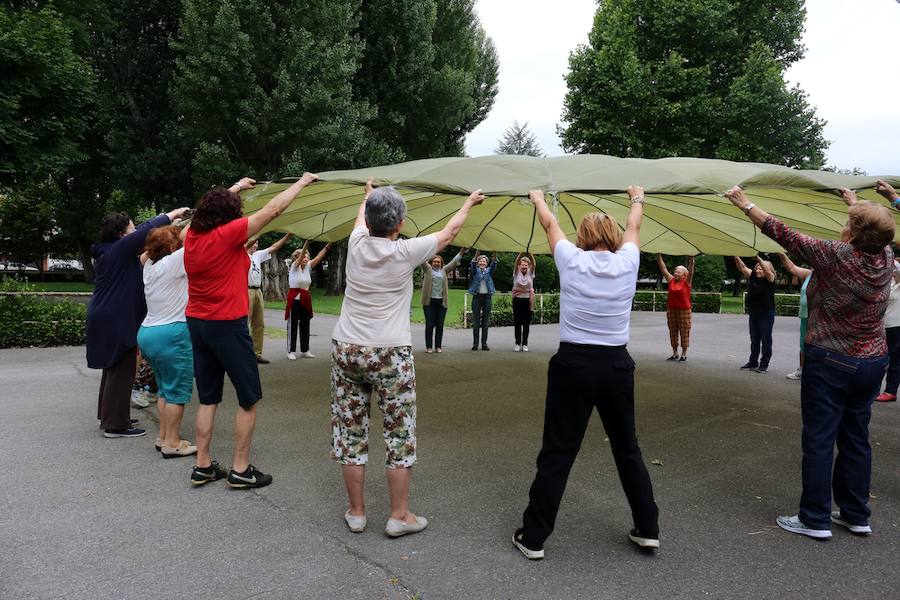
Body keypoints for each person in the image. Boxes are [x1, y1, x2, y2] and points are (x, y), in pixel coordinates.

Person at [726, 185, 894, 539]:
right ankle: (855, 514)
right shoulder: (886, 256)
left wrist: (745, 204)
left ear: (852, 231)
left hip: (831, 359)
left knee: (819, 438)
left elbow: (783, 232)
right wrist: (854, 203)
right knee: (856, 438)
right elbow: (872, 230)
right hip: (871, 363)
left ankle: (815, 518)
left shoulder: (835, 255)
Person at [331, 181, 485, 537]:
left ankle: (356, 513)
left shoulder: (355, 244)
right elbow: (450, 232)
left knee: (350, 431)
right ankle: (399, 516)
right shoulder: (406, 251)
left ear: (368, 219)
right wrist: (470, 202)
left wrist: (367, 195)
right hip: (390, 352)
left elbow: (361, 216)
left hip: (347, 348)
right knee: (399, 432)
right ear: (399, 223)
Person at [514, 187, 659, 560]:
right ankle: (648, 529)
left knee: (558, 452)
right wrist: (637, 197)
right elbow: (634, 224)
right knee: (627, 448)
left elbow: (549, 223)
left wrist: (538, 198)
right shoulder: (628, 260)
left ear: (583, 237)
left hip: (573, 365)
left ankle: (533, 538)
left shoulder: (570, 259)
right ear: (612, 237)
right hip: (615, 366)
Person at [184, 173, 318, 489]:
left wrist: (236, 187)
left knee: (207, 398)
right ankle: (241, 469)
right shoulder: (227, 234)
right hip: (227, 325)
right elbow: (271, 212)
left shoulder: (191, 236)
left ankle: (202, 465)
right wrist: (301, 183)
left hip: (198, 324)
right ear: (227, 216)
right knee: (248, 398)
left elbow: (204, 207)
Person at [87, 206, 188, 438]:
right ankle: (115, 425)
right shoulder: (118, 250)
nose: (135, 230)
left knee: (114, 368)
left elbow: (146, 249)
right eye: (131, 227)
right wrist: (172, 215)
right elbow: (146, 230)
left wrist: (173, 228)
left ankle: (111, 415)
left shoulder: (113, 253)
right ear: (123, 234)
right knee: (121, 368)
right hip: (115, 318)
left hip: (108, 316)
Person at [137, 225, 197, 458]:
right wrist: (234, 188)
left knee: (164, 389)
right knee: (177, 392)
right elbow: (196, 227)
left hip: (148, 332)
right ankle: (172, 443)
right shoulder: (174, 262)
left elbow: (146, 252)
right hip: (171, 333)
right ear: (172, 247)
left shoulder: (148, 266)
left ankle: (164, 437)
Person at [247, 232, 293, 364]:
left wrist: (287, 237)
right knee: (245, 324)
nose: (256, 244)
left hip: (257, 290)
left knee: (259, 323)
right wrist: (259, 230)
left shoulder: (257, 255)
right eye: (254, 242)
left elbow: (273, 247)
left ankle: (257, 353)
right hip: (246, 289)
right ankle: (244, 354)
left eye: (257, 242)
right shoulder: (241, 253)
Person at [285, 240, 331, 360]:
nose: (305, 258)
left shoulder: (308, 267)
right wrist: (307, 243)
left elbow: (319, 257)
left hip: (305, 298)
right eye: (303, 256)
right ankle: (290, 350)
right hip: (294, 299)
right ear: (296, 257)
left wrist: (328, 245)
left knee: (305, 324)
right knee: (293, 325)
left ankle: (305, 349)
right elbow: (300, 258)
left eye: (307, 256)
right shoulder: (295, 266)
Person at [733, 255, 776, 373]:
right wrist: (735, 255)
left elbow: (767, 271)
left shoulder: (770, 278)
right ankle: (753, 362)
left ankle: (764, 364)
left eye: (760, 268)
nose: (758, 270)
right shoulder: (753, 276)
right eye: (757, 268)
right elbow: (742, 267)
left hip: (766, 313)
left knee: (766, 340)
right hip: (754, 312)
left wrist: (760, 260)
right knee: (754, 339)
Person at [419, 248, 466, 353]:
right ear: (432, 263)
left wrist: (462, 251)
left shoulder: (444, 270)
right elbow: (422, 260)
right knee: (430, 325)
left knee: (440, 325)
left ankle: (438, 346)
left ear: (441, 263)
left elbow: (454, 262)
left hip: (441, 303)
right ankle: (429, 347)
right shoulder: (427, 269)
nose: (436, 263)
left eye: (438, 262)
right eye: (435, 261)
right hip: (429, 302)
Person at [778, 253, 813, 380]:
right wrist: (781, 254)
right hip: (804, 316)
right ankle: (801, 370)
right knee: (803, 343)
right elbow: (792, 268)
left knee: (815, 345)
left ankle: (814, 372)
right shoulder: (809, 274)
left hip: (817, 317)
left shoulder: (826, 276)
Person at [656, 254, 695, 361]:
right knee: (673, 331)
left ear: (684, 275)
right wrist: (659, 256)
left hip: (684, 311)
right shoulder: (671, 280)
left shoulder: (687, 282)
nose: (676, 272)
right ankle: (675, 353)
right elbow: (663, 269)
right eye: (675, 271)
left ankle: (684, 354)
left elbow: (691, 271)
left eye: (679, 271)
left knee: (684, 332)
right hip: (671, 310)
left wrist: (692, 261)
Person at [877, 260, 900, 402]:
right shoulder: (890, 283)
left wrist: (889, 258)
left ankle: (891, 390)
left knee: (893, 359)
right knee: (881, 358)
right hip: (884, 326)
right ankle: (875, 389)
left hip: (896, 327)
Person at [467, 251, 498, 350]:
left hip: (487, 298)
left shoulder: (489, 271)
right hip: (477, 297)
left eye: (484, 262)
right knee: (476, 322)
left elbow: (494, 263)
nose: (482, 263)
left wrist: (494, 254)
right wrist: (477, 253)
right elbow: (472, 263)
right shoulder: (475, 270)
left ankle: (484, 343)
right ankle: (475, 343)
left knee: (485, 322)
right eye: (480, 262)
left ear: (486, 263)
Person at [512, 252, 536, 352]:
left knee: (526, 323)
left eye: (526, 265)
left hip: (527, 300)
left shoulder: (530, 272)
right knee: (517, 322)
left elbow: (534, 264)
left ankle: (525, 343)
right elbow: (516, 262)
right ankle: (517, 343)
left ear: (528, 266)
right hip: (517, 300)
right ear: (519, 266)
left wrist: (530, 255)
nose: (524, 266)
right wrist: (521, 254)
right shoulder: (516, 272)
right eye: (522, 265)